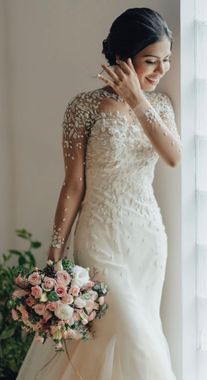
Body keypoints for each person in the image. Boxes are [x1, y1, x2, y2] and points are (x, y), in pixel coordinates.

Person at [17, 7, 182, 380]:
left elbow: (173, 157)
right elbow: (73, 185)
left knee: (128, 338)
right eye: (151, 61)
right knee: (133, 336)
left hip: (147, 239)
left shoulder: (159, 105)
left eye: (167, 60)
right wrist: (54, 252)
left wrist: (139, 100)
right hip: (99, 240)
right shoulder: (83, 107)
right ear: (124, 60)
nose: (161, 70)